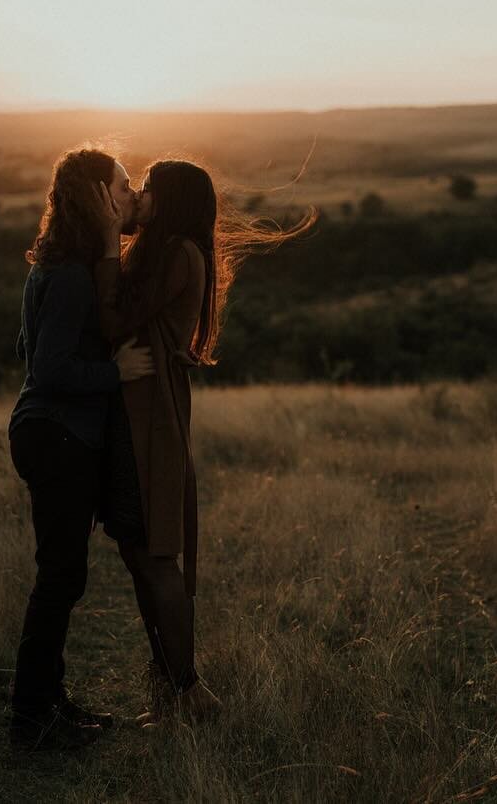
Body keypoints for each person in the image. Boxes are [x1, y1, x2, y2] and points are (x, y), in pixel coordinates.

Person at [92, 158, 317, 728]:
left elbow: (113, 322)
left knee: (156, 553)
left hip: (153, 417)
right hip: (138, 409)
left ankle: (189, 692)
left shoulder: (175, 255)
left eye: (147, 188)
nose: (138, 195)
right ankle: (170, 686)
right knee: (139, 551)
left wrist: (105, 245)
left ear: (169, 201)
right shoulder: (168, 251)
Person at [7, 147, 153, 752]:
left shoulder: (51, 266)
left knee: (62, 578)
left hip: (44, 431)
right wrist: (113, 373)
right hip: (58, 434)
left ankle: (49, 703)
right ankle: (32, 718)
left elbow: (26, 352)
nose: (128, 194)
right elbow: (50, 368)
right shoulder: (68, 277)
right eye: (121, 186)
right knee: (59, 579)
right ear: (96, 198)